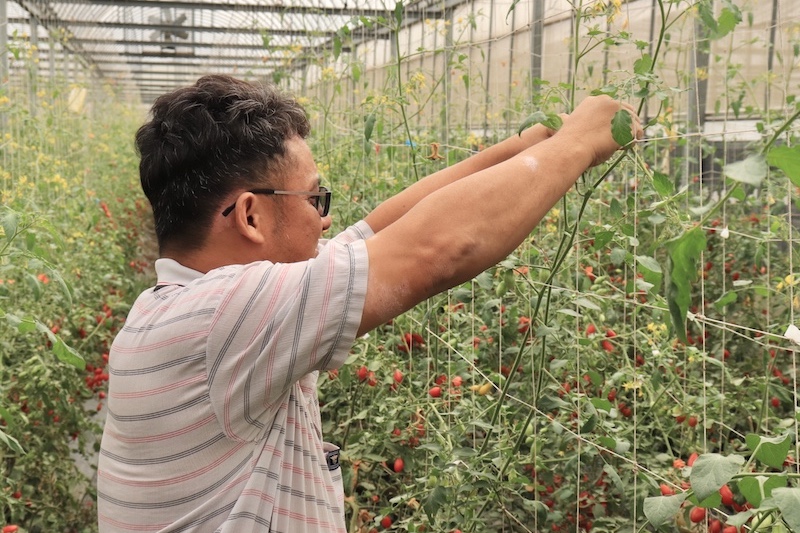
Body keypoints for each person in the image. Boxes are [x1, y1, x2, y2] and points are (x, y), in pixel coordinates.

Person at [97, 74, 642, 532]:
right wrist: (578, 143)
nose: (326, 218)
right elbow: (436, 248)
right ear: (250, 216)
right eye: (315, 199)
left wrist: (516, 152)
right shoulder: (223, 315)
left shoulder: (182, 307)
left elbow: (382, 228)